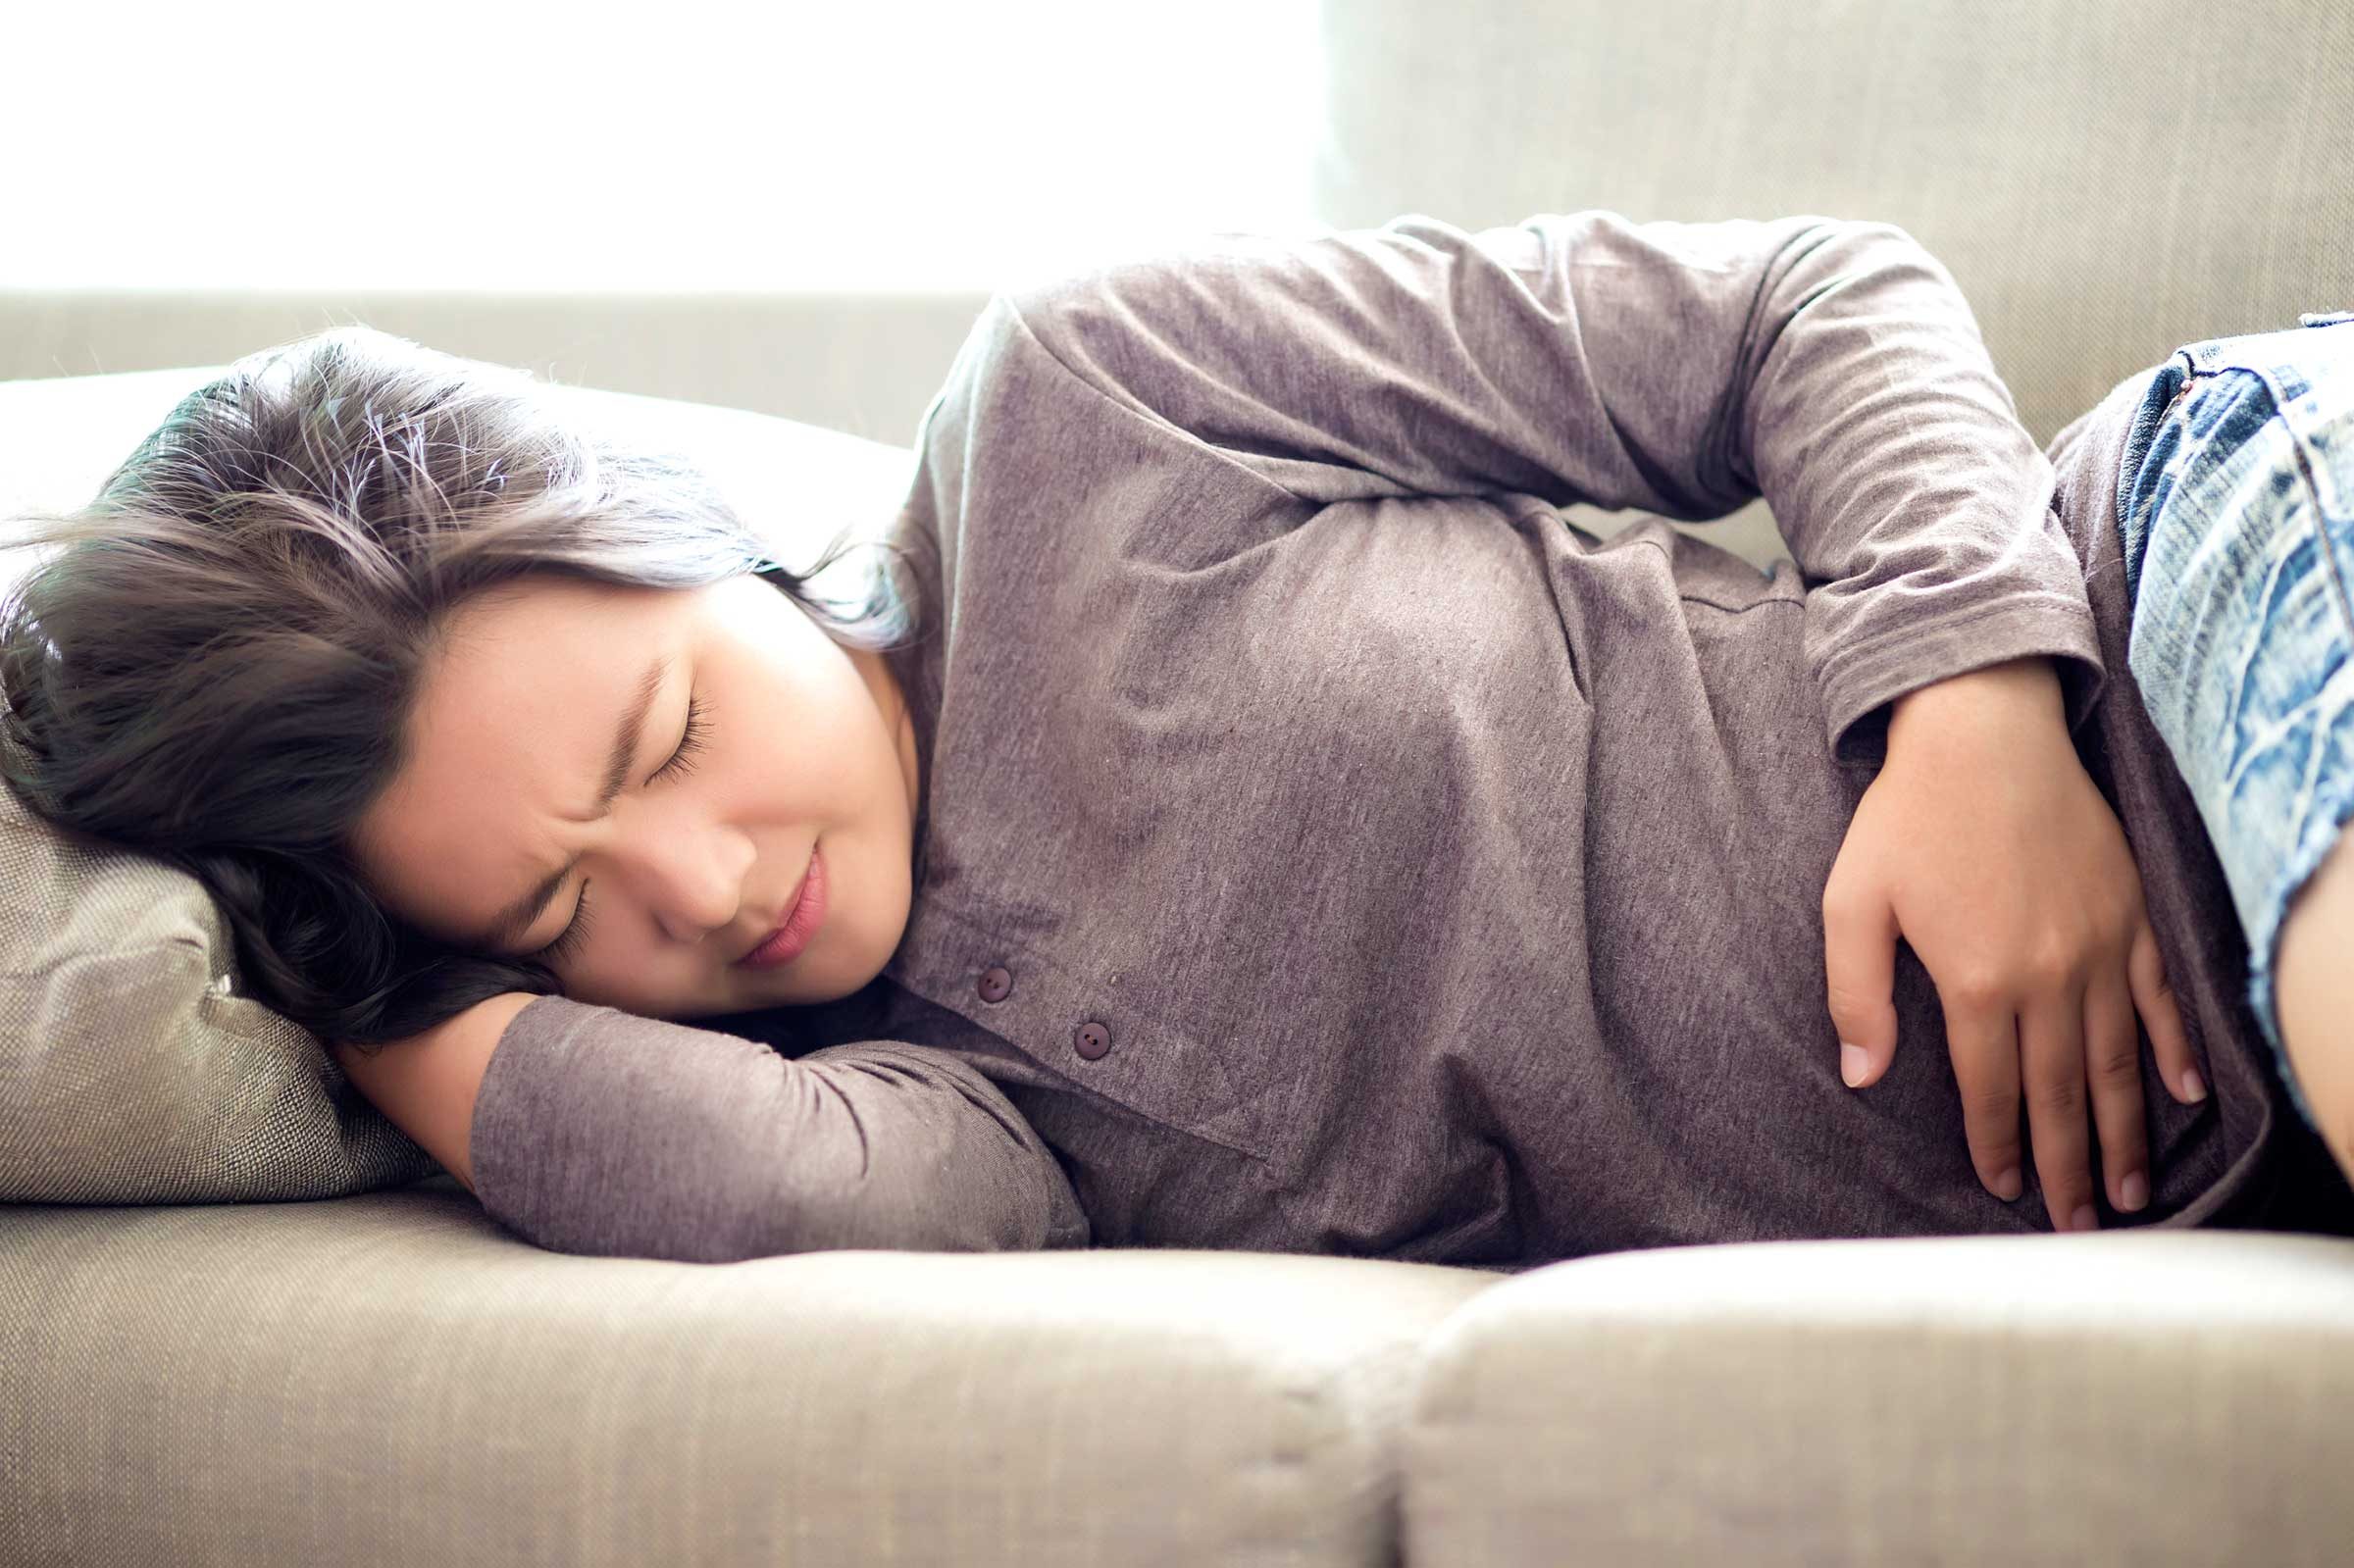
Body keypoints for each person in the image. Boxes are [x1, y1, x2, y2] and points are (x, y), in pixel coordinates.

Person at [1, 211, 2346, 1268]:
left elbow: (1801, 302)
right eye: (553, 907)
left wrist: (1969, 712)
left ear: (710, 540)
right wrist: (372, 982)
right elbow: (767, 1193)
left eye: (670, 727)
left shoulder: (1085, 406)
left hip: (2196, 601)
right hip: (2244, 1125)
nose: (704, 885)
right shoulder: (945, 1102)